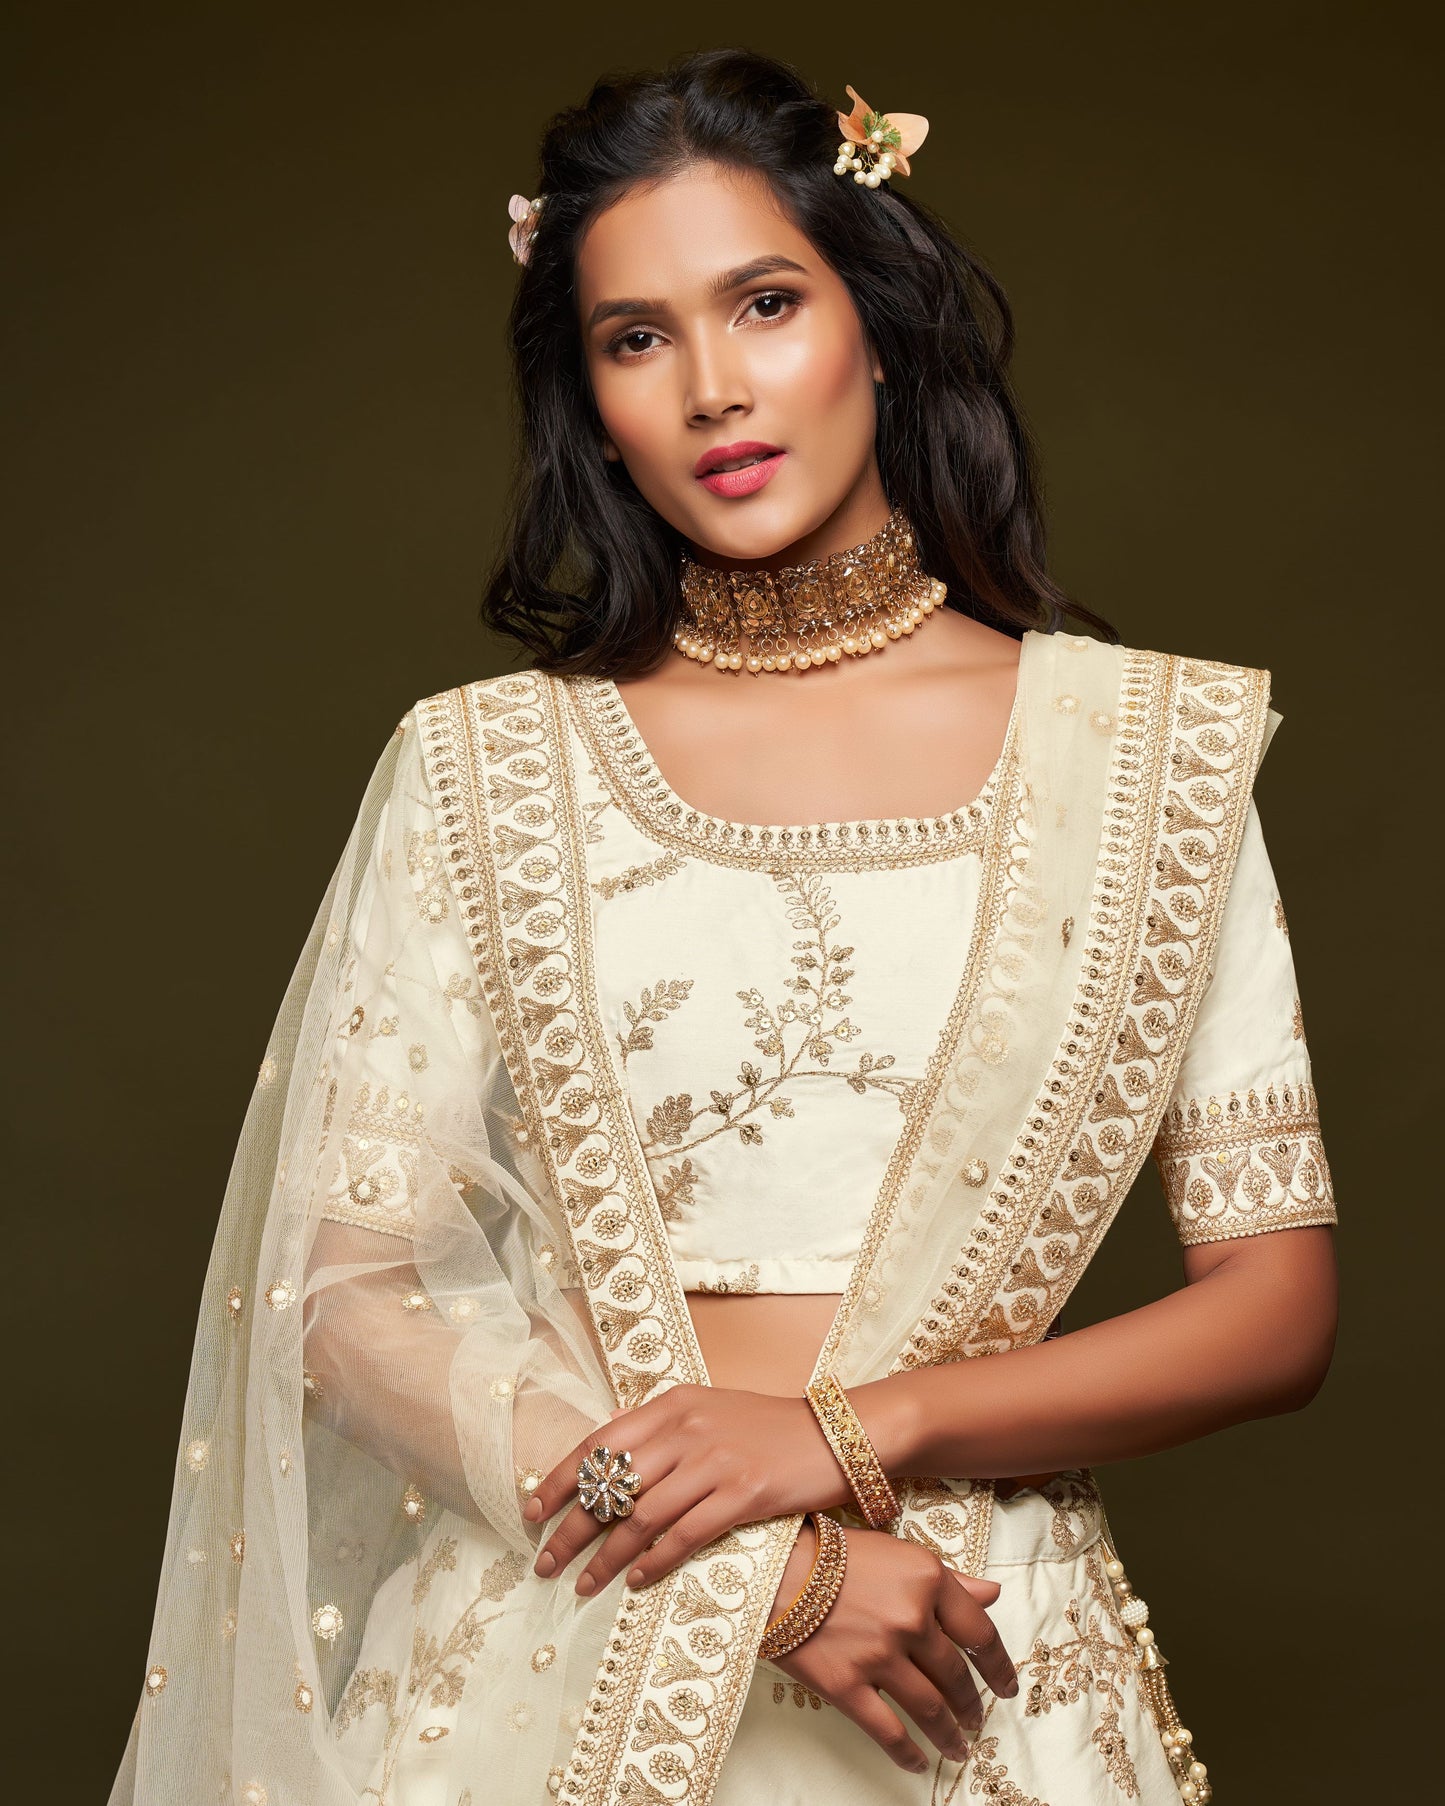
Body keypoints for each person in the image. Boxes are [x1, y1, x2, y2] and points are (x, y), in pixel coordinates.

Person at [109, 48, 1339, 1806]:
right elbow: (340, 1285)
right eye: (633, 337)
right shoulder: (482, 765)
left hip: (973, 1650)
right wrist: (774, 1564)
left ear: (880, 323)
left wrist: (850, 1438)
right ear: (588, 396)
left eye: (763, 302)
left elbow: (1272, 1304)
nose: (709, 387)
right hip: (569, 1618)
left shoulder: (1148, 754)